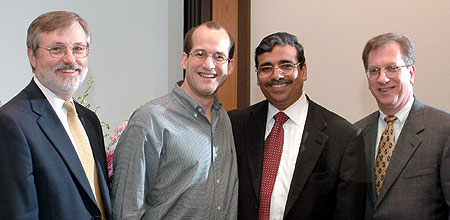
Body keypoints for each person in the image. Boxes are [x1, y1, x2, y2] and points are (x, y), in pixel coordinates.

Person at [228, 32, 366, 220]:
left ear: (304, 71)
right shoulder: (236, 124)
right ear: (258, 77)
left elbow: (349, 214)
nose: (277, 75)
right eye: (266, 68)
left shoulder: (343, 137)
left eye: (286, 65)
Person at [111, 21, 238, 219]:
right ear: (184, 60)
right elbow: (126, 211)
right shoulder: (149, 121)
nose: (209, 64)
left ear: (230, 66)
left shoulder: (223, 119)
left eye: (219, 57)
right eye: (200, 54)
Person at [0, 11, 111, 219]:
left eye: (78, 49)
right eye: (56, 49)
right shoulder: (11, 122)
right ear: (32, 56)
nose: (70, 59)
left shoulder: (89, 120)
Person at [355, 33, 450, 220]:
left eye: (392, 68)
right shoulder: (356, 135)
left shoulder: (444, 130)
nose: (382, 78)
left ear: (411, 73)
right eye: (374, 71)